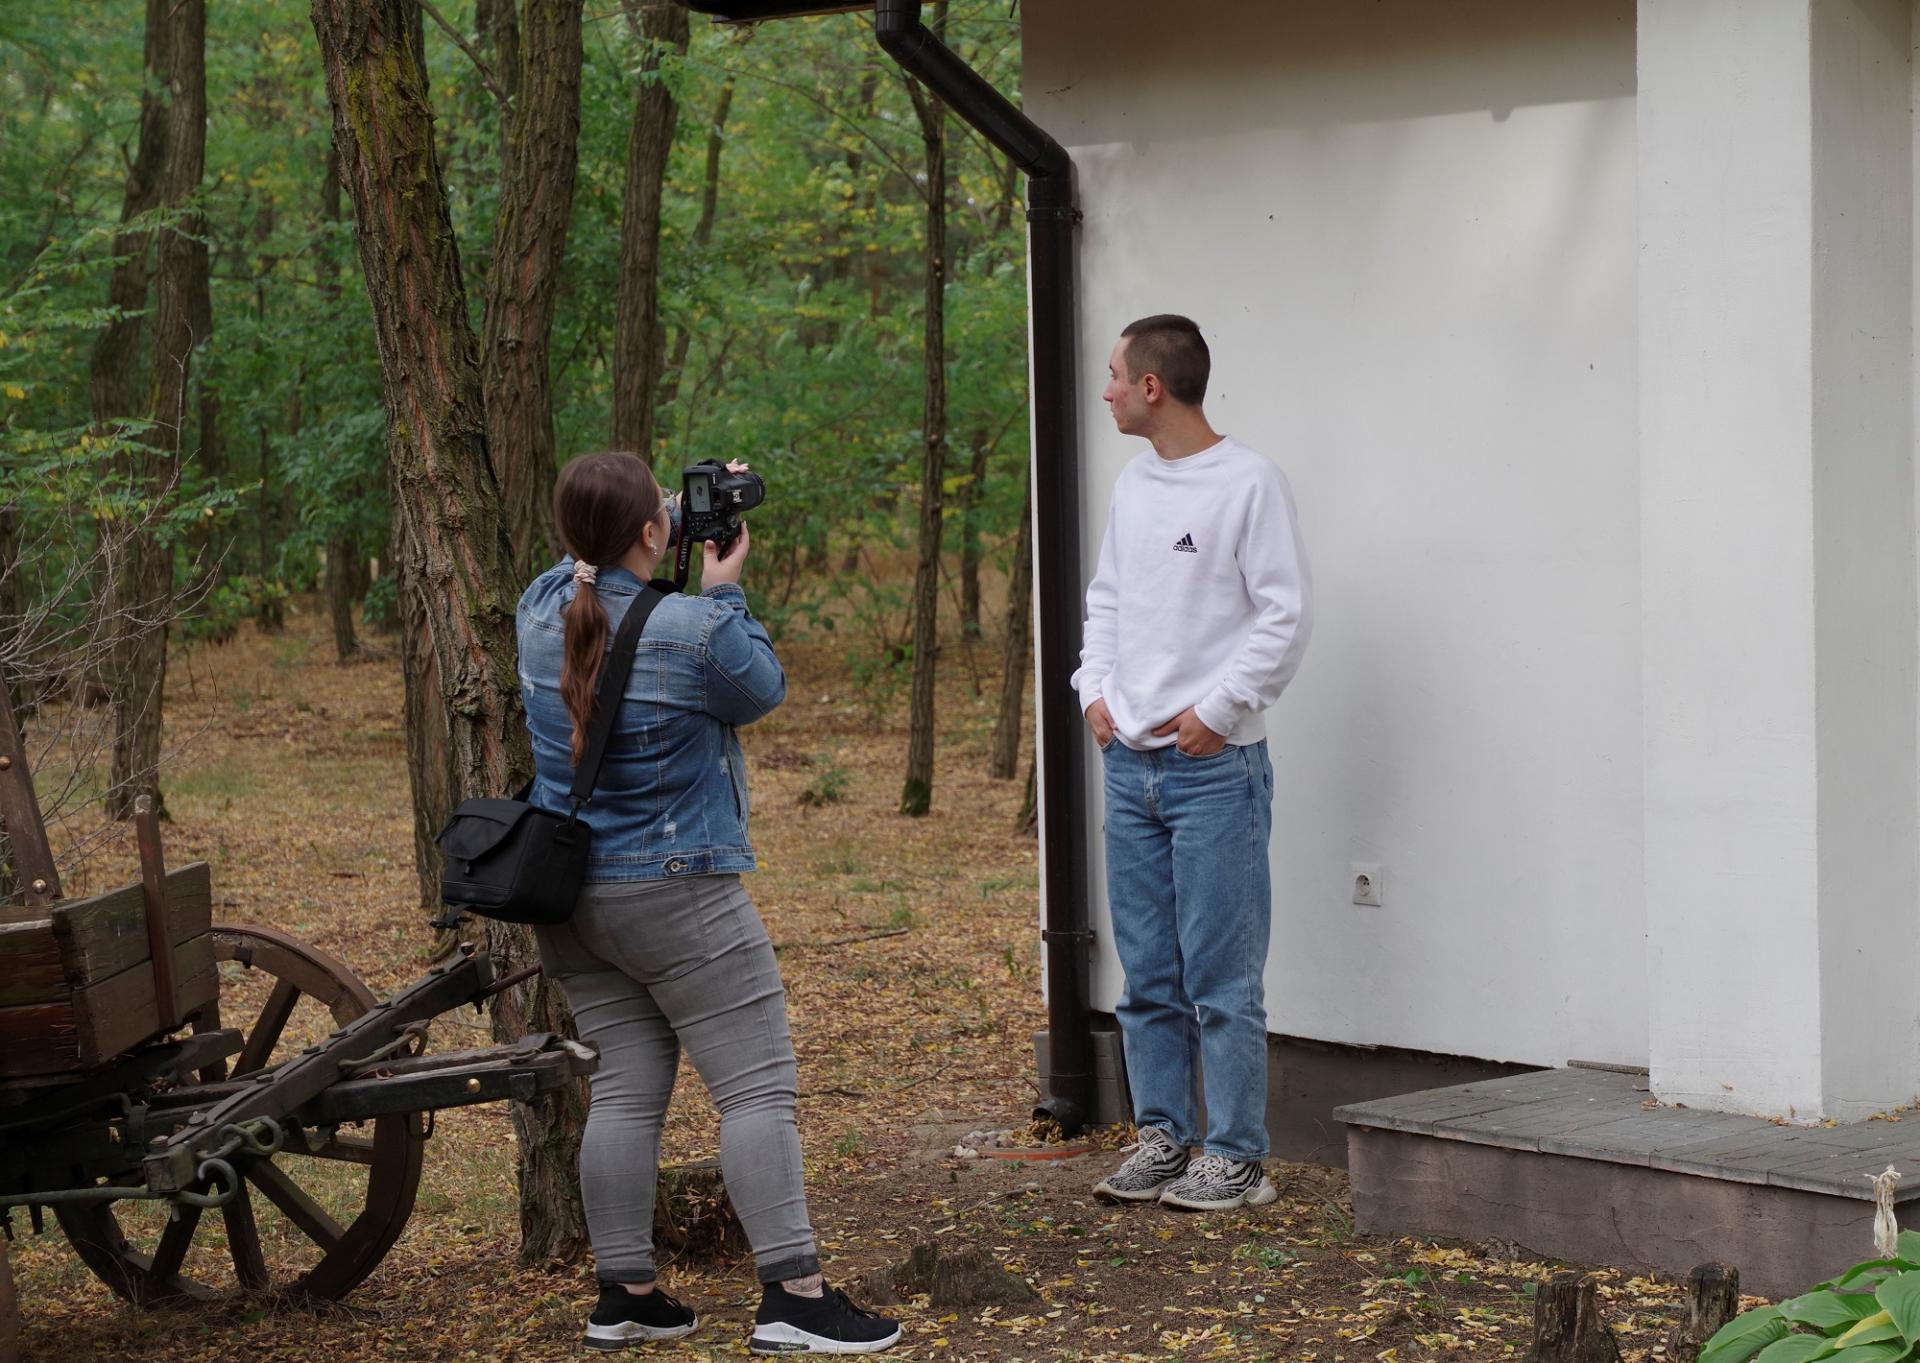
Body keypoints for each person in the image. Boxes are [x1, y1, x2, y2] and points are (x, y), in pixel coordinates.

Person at [516, 451, 901, 1355]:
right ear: (653, 531)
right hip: (678, 892)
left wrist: (669, 521)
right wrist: (725, 588)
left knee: (623, 1091)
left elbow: (593, 554)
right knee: (757, 1087)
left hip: (572, 900)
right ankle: (796, 1298)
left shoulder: (539, 610)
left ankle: (626, 1294)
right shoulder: (694, 630)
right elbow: (762, 686)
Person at [1071, 315, 1313, 1212]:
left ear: (1152, 387)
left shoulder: (1249, 483)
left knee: (1222, 976)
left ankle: (1237, 1155)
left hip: (1215, 771)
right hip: (1129, 763)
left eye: (1114, 375)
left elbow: (1285, 615)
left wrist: (1218, 712)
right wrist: (1093, 691)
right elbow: (1106, 600)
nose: (1104, 390)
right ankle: (1163, 1138)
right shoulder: (1135, 484)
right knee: (1147, 975)